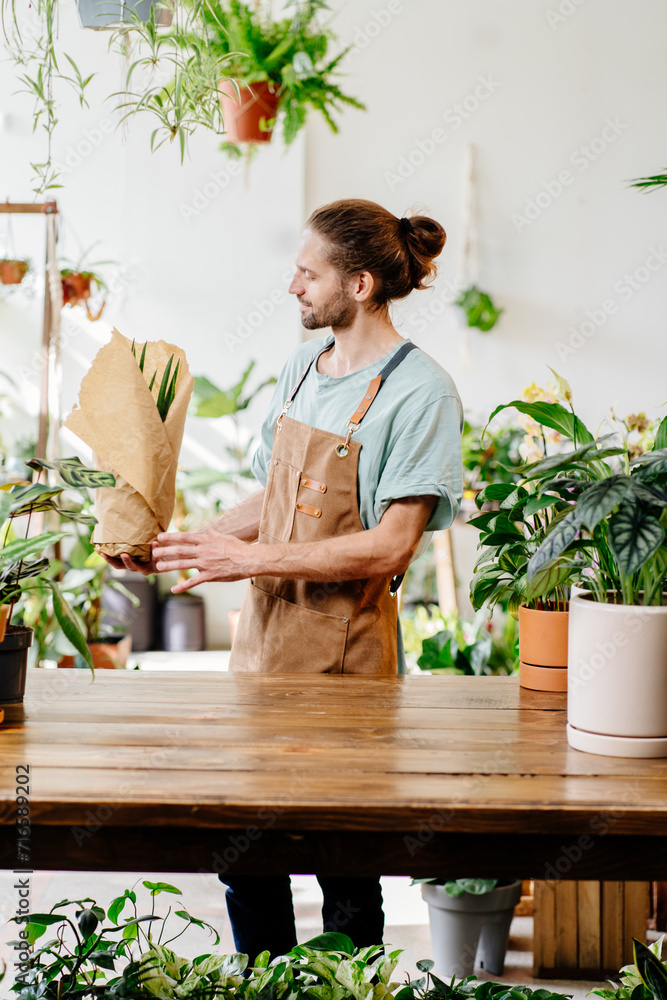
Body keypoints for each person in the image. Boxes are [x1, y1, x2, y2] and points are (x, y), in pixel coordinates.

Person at [107, 198, 463, 960]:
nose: (292, 286)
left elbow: (391, 546)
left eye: (309, 272)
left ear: (359, 285)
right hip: (264, 652)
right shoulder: (302, 367)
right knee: (247, 854)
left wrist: (250, 560)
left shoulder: (419, 392)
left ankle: (352, 982)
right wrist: (184, 544)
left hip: (346, 663)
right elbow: (273, 504)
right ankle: (263, 980)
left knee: (345, 864)